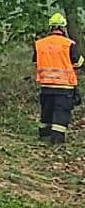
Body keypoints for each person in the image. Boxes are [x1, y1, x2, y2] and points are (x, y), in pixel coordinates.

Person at [33, 13, 83, 144]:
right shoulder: (69, 44)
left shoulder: (39, 44)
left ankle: (44, 137)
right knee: (60, 113)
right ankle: (57, 141)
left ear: (50, 28)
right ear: (64, 28)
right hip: (64, 87)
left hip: (46, 86)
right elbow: (78, 63)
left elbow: (36, 62)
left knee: (46, 112)